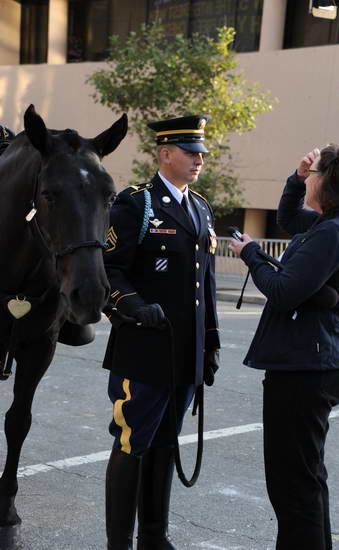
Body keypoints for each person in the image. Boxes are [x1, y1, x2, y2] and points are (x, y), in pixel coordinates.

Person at [229, 144, 339, 550]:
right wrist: (295, 175)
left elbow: (283, 293)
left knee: (292, 485)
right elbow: (289, 218)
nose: (310, 179)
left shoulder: (335, 233)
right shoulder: (334, 226)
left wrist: (251, 254)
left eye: (314, 174)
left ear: (329, 182)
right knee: (306, 477)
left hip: (307, 368)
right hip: (317, 363)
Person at [102, 115, 220, 550]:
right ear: (165, 154)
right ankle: (120, 543)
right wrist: (131, 305)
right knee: (132, 442)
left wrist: (210, 342)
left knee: (166, 443)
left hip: (184, 352)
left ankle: (155, 536)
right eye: (191, 152)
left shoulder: (201, 207)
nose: (199, 160)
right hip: (144, 349)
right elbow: (109, 268)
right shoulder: (137, 203)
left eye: (202, 153)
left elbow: (204, 284)